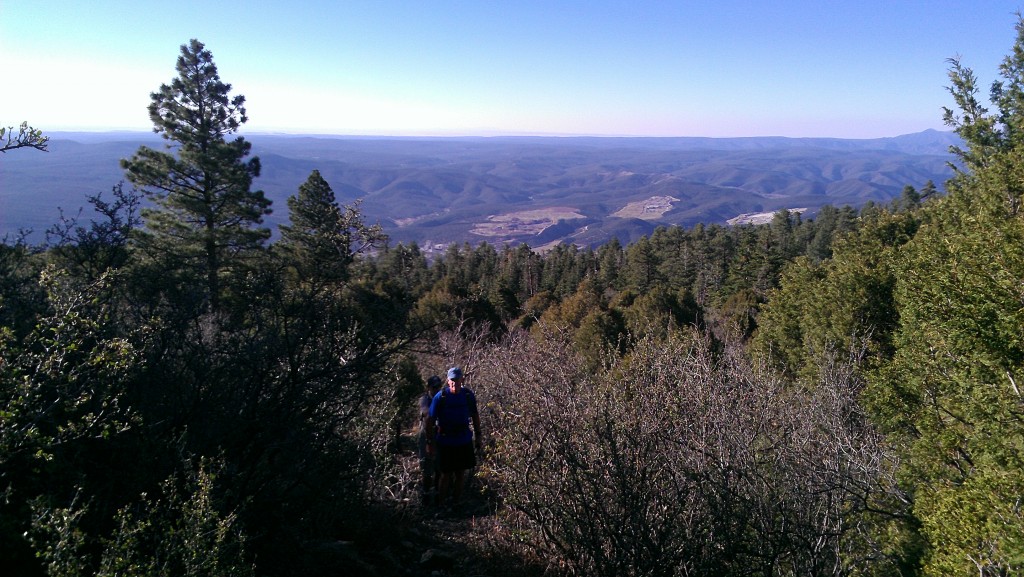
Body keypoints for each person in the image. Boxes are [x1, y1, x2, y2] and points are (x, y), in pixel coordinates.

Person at [427, 366, 482, 508]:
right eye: (452, 380)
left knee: (460, 474)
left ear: (462, 380)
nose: (454, 383)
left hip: (463, 440)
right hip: (445, 441)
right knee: (445, 474)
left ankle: (456, 503)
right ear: (447, 380)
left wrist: (479, 436)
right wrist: (430, 442)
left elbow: (475, 416)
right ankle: (441, 505)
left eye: (457, 380)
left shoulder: (468, 396)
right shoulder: (440, 397)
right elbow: (430, 420)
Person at [417, 375, 443, 503]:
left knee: (439, 466)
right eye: (434, 387)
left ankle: (438, 494)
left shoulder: (442, 398)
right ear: (428, 387)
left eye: (439, 387)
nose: (436, 389)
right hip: (426, 435)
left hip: (440, 434)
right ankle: (426, 494)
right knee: (426, 466)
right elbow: (426, 413)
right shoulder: (424, 399)